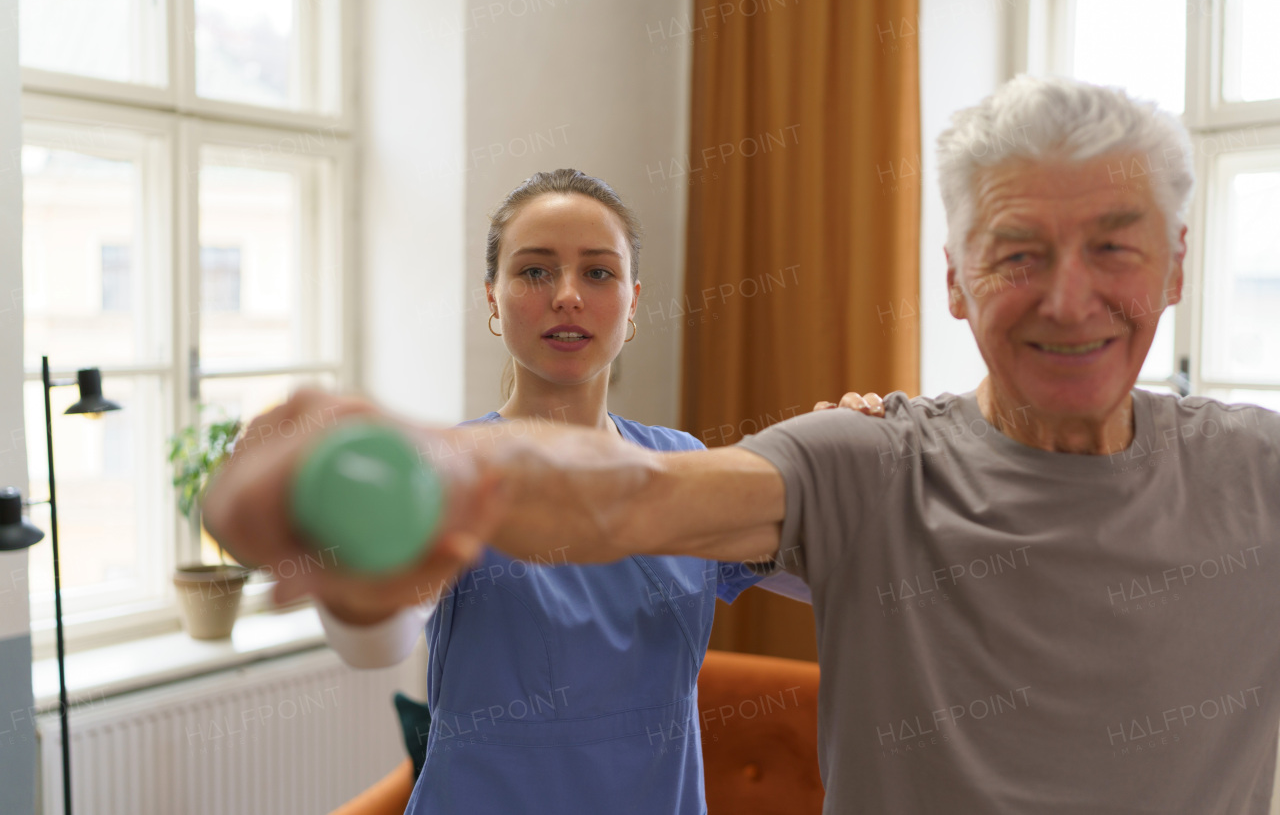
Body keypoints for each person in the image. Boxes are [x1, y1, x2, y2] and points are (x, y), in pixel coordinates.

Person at [205, 76, 1280, 814]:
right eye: (1014, 252)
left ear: (1177, 264)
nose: (1065, 296)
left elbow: (658, 487)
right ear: (951, 277)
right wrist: (424, 478)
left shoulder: (1254, 473)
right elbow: (614, 501)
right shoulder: (839, 463)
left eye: (1111, 246)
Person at [310, 169, 881, 814]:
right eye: (534, 272)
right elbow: (377, 639)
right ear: (492, 300)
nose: (567, 297)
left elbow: (852, 581)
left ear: (634, 302)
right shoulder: (450, 469)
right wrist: (354, 566)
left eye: (598, 273)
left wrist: (852, 471)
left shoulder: (684, 464)